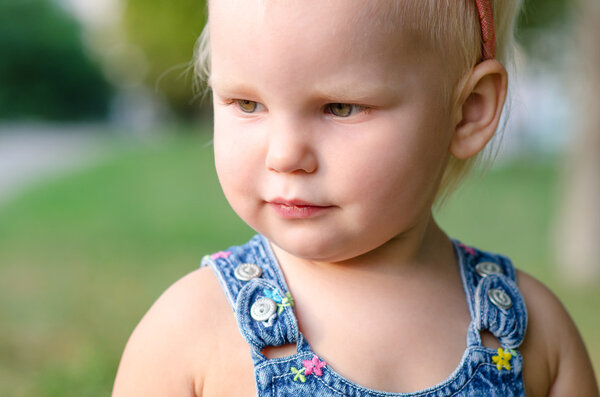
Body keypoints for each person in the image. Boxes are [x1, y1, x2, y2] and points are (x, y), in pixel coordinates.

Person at [113, 1, 599, 395]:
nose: (285, 155)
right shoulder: (189, 332)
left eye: (339, 108)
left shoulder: (533, 335)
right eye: (247, 104)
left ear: (469, 110)